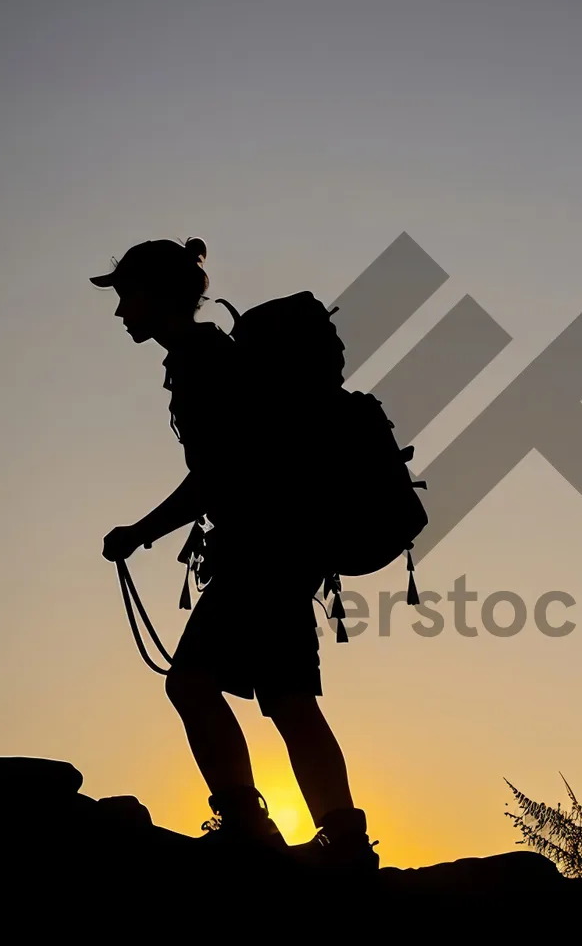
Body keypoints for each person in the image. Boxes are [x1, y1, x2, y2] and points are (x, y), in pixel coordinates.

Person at [92, 237, 377, 874]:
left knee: (192, 683)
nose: (120, 314)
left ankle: (249, 828)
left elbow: (220, 473)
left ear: (158, 295)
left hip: (260, 551)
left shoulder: (200, 360)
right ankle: (344, 841)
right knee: (288, 697)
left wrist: (140, 531)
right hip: (286, 548)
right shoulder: (210, 357)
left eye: (126, 298)